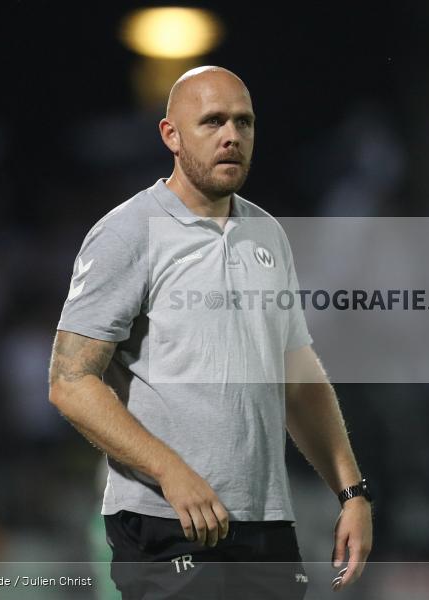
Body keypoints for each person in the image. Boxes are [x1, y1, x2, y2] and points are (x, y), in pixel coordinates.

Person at [48, 66, 373, 599]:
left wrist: (352, 493)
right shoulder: (127, 231)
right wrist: (170, 471)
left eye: (244, 123)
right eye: (213, 122)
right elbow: (69, 381)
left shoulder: (268, 233)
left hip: (265, 522)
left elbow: (297, 376)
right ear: (170, 136)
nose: (232, 136)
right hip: (166, 521)